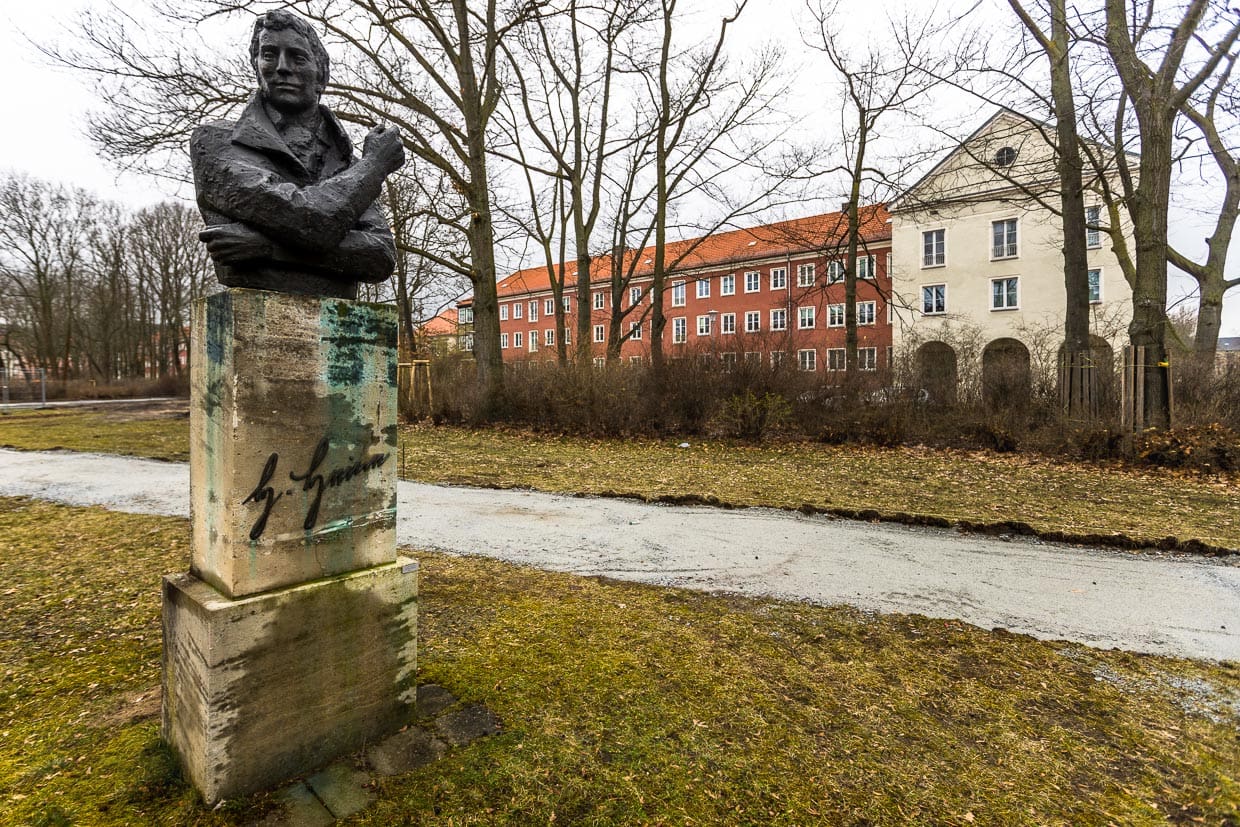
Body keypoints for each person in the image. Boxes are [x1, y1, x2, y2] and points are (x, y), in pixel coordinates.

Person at [191, 10, 405, 299]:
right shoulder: (216, 143)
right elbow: (311, 222)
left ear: (322, 75)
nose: (281, 67)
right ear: (256, 66)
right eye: (269, 54)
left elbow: (379, 255)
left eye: (297, 57)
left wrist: (268, 248)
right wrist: (376, 165)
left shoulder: (348, 166)